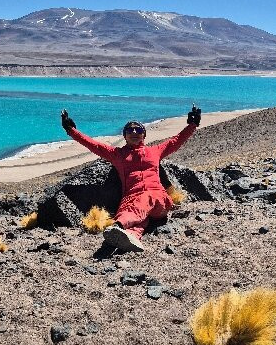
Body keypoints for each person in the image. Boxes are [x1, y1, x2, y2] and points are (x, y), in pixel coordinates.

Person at [60, 105, 201, 252]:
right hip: (131, 201)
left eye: (138, 130)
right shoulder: (117, 154)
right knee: (139, 221)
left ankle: (118, 225)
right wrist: (71, 130)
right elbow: (93, 145)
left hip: (159, 200)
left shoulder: (155, 151)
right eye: (130, 130)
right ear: (125, 136)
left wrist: (193, 124)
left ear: (143, 135)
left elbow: (176, 141)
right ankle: (131, 237)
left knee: (146, 198)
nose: (134, 132)